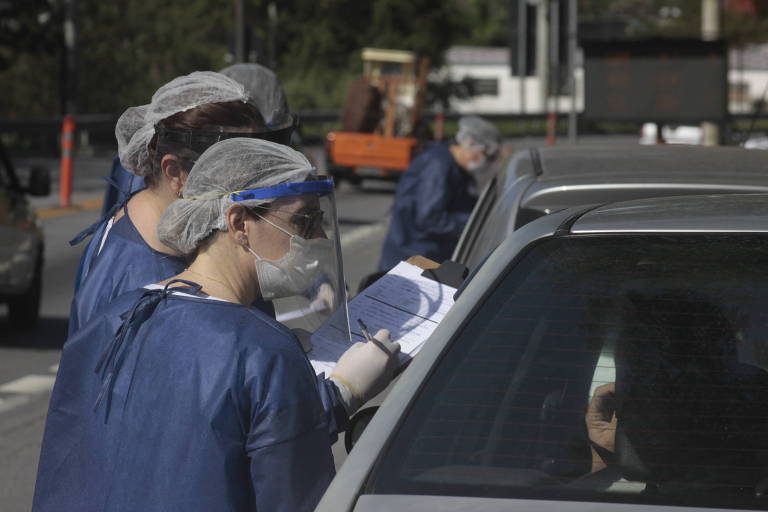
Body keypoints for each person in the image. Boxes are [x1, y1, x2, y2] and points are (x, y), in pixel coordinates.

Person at [33, 138, 401, 512]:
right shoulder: (264, 355)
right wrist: (343, 393)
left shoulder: (112, 317)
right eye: (304, 221)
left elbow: (64, 472)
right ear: (239, 222)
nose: (319, 237)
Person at [68, 71, 294, 335]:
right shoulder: (152, 286)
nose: (257, 183)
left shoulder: (140, 222)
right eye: (234, 169)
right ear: (176, 173)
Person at [378, 115, 500, 272]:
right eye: (486, 155)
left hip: (428, 254)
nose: (486, 161)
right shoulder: (438, 166)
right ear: (470, 144)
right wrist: (474, 222)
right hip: (413, 257)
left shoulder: (457, 168)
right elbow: (430, 218)